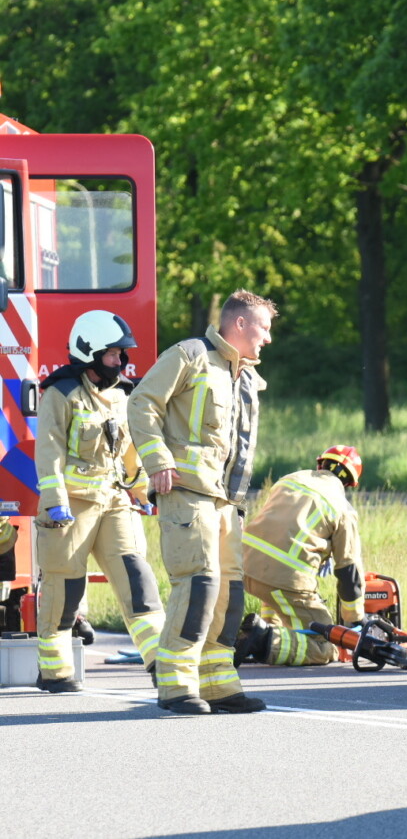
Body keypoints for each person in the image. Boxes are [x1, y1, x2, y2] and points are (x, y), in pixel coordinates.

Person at [128, 289, 275, 714]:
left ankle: (218, 682)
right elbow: (141, 403)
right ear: (241, 323)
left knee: (229, 593)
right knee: (198, 584)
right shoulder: (191, 355)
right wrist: (156, 461)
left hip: (227, 501)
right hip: (187, 492)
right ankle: (176, 684)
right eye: (264, 329)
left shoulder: (245, 375)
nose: (268, 339)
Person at [33, 311, 164, 692]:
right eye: (112, 355)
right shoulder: (60, 394)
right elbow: (49, 452)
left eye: (121, 355)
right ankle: (55, 672)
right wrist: (55, 500)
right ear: (88, 352)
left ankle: (162, 665)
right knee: (65, 589)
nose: (120, 362)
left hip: (114, 502)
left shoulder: (123, 394)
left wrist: (142, 493)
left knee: (138, 581)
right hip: (70, 510)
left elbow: (129, 454)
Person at [234, 445, 365, 666]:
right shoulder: (344, 509)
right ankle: (262, 640)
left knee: (275, 594)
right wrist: (355, 620)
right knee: (324, 645)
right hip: (284, 579)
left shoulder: (290, 479)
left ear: (320, 464)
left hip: (242, 563)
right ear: (349, 483)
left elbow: (276, 534)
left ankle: (263, 629)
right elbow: (348, 570)